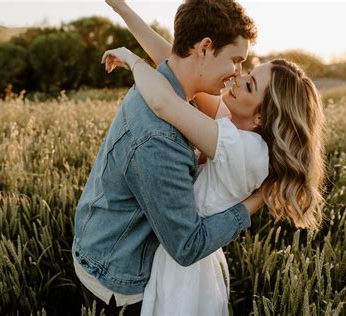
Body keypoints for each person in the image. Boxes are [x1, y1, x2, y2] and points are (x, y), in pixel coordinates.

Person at [102, 2, 327, 315]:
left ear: (261, 116)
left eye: (248, 83)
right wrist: (123, 10)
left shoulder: (242, 149)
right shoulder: (239, 131)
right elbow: (173, 60)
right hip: (190, 252)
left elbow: (164, 103)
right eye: (243, 68)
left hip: (185, 265)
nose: (236, 77)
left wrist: (129, 59)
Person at [72, 1, 261, 315]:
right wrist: (260, 199)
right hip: (119, 276)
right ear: (204, 47)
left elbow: (170, 57)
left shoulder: (167, 86)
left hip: (103, 240)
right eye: (235, 59)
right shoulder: (161, 138)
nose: (237, 73)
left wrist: (126, 22)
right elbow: (187, 246)